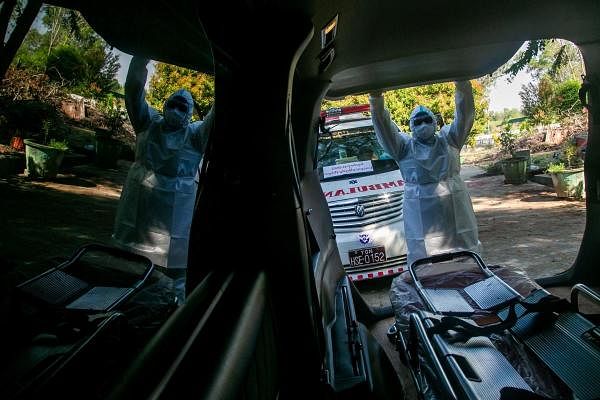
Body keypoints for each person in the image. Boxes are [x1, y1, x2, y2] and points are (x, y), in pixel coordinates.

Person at [112, 56, 214, 303]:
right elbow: (134, 93)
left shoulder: (196, 137)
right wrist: (140, 59)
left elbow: (218, 116)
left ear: (189, 112)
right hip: (138, 213)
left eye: (182, 106)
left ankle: (174, 314)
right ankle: (123, 306)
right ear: (166, 104)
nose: (176, 110)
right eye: (173, 104)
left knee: (176, 272)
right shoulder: (147, 124)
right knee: (130, 268)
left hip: (175, 220)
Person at [369, 81, 480, 268]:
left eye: (427, 120)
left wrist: (463, 86)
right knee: (425, 259)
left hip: (455, 207)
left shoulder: (450, 140)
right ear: (411, 126)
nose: (423, 125)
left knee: (465, 253)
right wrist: (376, 100)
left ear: (435, 122)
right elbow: (384, 129)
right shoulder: (403, 148)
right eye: (418, 122)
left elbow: (464, 116)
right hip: (419, 209)